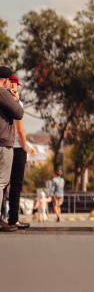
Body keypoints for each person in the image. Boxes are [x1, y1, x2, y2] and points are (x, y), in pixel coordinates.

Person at [0, 66, 24, 232]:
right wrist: (15, 98)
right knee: (2, 182)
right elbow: (19, 113)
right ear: (7, 80)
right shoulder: (3, 93)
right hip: (3, 142)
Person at [6, 74, 30, 229]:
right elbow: (20, 130)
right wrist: (25, 147)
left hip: (5, 145)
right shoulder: (15, 102)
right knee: (16, 185)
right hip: (16, 147)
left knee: (3, 184)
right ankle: (13, 218)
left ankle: (3, 216)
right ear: (11, 84)